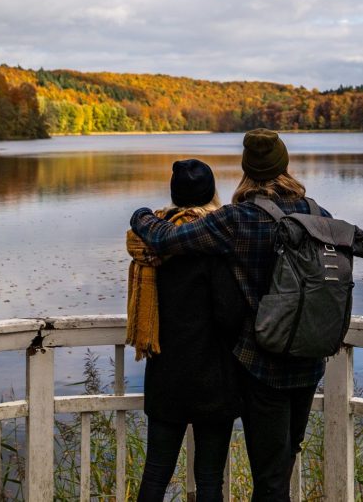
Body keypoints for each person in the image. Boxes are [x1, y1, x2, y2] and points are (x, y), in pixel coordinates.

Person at [130, 129, 331, 501]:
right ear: (285, 165)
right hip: (309, 360)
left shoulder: (237, 219)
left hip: (262, 365)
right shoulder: (318, 214)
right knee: (281, 470)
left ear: (246, 169)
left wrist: (141, 215)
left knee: (270, 482)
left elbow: (162, 240)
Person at [126, 158, 245, 502]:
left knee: (155, 474)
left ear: (174, 193)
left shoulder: (152, 243)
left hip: (166, 374)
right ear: (212, 193)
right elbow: (229, 315)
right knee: (209, 481)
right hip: (214, 377)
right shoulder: (217, 245)